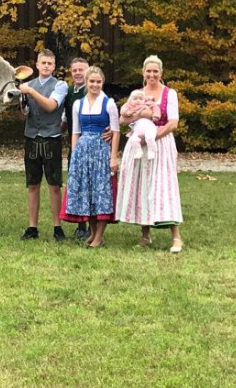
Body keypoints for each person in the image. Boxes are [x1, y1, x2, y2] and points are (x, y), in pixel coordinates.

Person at [115, 55, 184, 253]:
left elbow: (173, 123)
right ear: (143, 72)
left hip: (160, 143)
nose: (152, 75)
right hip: (139, 142)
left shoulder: (169, 94)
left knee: (164, 186)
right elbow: (123, 119)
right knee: (143, 185)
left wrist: (153, 137)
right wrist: (140, 116)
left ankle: (176, 236)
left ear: (161, 73)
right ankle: (145, 235)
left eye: (155, 71)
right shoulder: (138, 94)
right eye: (149, 71)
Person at [60, 66, 120, 248]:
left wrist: (113, 157)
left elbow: (116, 132)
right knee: (88, 192)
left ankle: (99, 236)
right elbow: (75, 132)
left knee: (101, 193)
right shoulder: (78, 104)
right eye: (92, 81)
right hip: (83, 151)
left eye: (98, 81)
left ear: (102, 83)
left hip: (101, 151)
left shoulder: (108, 103)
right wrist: (75, 155)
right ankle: (93, 232)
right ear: (86, 82)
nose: (95, 85)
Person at [18, 49, 68, 241]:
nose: (46, 66)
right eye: (43, 63)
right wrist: (21, 104)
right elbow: (22, 116)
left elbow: (50, 106)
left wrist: (30, 92)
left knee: (54, 184)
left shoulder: (60, 85)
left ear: (54, 66)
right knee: (32, 184)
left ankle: (57, 226)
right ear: (37, 65)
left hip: (51, 138)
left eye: (49, 63)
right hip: (31, 137)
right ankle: (32, 227)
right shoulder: (27, 85)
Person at [61, 57, 92, 239]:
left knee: (91, 184)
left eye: (82, 69)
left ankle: (93, 224)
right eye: (75, 70)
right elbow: (65, 119)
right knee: (78, 183)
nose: (78, 73)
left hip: (93, 144)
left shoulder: (94, 89)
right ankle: (81, 224)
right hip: (75, 144)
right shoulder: (69, 92)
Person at [120, 91, 160, 160]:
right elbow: (123, 111)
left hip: (148, 126)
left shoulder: (148, 104)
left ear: (144, 100)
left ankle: (151, 151)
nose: (138, 100)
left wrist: (155, 115)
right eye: (135, 99)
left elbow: (156, 108)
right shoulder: (129, 106)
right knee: (133, 139)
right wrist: (127, 112)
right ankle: (138, 151)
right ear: (130, 100)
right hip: (137, 128)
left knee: (149, 137)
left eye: (141, 99)